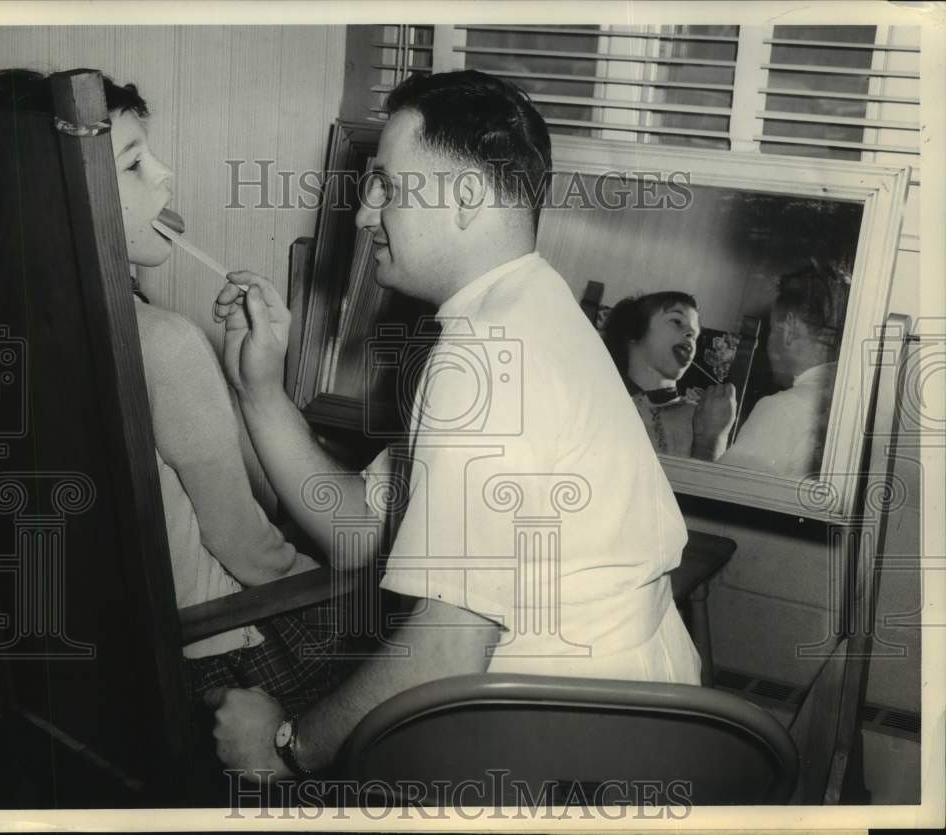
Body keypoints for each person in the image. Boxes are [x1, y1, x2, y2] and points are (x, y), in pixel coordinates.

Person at [208, 69, 701, 782]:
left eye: (388, 187)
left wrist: (284, 745)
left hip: (570, 762)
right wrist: (259, 388)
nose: (364, 215)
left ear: (466, 197)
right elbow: (357, 532)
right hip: (621, 728)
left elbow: (445, 653)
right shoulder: (526, 306)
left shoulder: (485, 356)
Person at [0, 69, 341, 713]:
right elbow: (253, 553)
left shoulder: (4, 332)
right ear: (68, 191)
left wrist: (237, 382)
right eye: (135, 163)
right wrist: (343, 581)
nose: (166, 174)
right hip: (223, 654)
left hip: (102, 670)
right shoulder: (165, 343)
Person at [717, 263, 846, 476]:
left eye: (772, 328)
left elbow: (718, 501)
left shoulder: (783, 410)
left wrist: (709, 440)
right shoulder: (846, 403)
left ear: (790, 329)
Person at [604, 291, 736, 460]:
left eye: (695, 335)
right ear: (633, 331)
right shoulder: (602, 401)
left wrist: (712, 439)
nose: (690, 333)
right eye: (677, 321)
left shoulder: (702, 418)